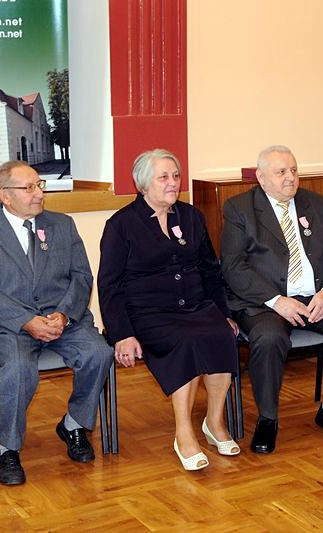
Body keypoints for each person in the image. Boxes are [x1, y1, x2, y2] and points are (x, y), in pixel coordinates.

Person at [0, 161, 112, 486]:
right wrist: (25, 321)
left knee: (98, 354)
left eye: (39, 185)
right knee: (17, 369)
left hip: (62, 320)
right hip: (9, 325)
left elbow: (82, 276)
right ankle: (9, 450)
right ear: (5, 195)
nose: (39, 193)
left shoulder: (62, 225)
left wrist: (64, 314)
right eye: (28, 188)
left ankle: (73, 424)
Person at [220, 145, 323, 454]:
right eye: (281, 173)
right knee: (268, 338)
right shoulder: (240, 209)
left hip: (315, 296)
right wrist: (276, 300)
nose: (290, 178)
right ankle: (268, 418)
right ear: (261, 178)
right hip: (265, 302)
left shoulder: (314, 203)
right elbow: (233, 267)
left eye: (293, 170)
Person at [98, 149, 240, 471]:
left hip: (196, 305)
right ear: (143, 184)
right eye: (164, 177)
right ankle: (184, 433)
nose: (173, 183)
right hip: (149, 313)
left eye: (176, 176)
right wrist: (122, 334)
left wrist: (223, 312)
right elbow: (109, 285)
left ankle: (214, 423)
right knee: (185, 342)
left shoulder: (190, 217)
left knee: (221, 335)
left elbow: (210, 270)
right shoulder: (121, 225)